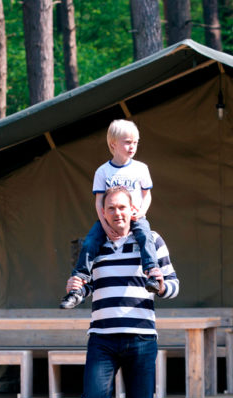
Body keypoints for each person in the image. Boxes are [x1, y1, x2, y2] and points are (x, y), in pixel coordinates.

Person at [66, 185, 179, 398]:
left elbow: (173, 285)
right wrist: (76, 285)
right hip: (101, 338)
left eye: (122, 207)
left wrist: (159, 287)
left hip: (141, 339)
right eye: (110, 208)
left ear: (134, 210)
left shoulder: (152, 240)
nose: (117, 213)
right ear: (102, 212)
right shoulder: (94, 244)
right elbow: (84, 286)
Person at [60, 119, 160, 309]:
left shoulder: (141, 168)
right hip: (109, 220)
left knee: (146, 236)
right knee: (90, 242)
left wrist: (141, 213)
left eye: (136, 142)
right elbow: (99, 202)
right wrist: (105, 225)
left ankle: (152, 274)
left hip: (135, 218)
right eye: (127, 142)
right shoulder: (103, 171)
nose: (132, 147)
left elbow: (147, 195)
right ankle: (78, 282)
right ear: (113, 144)